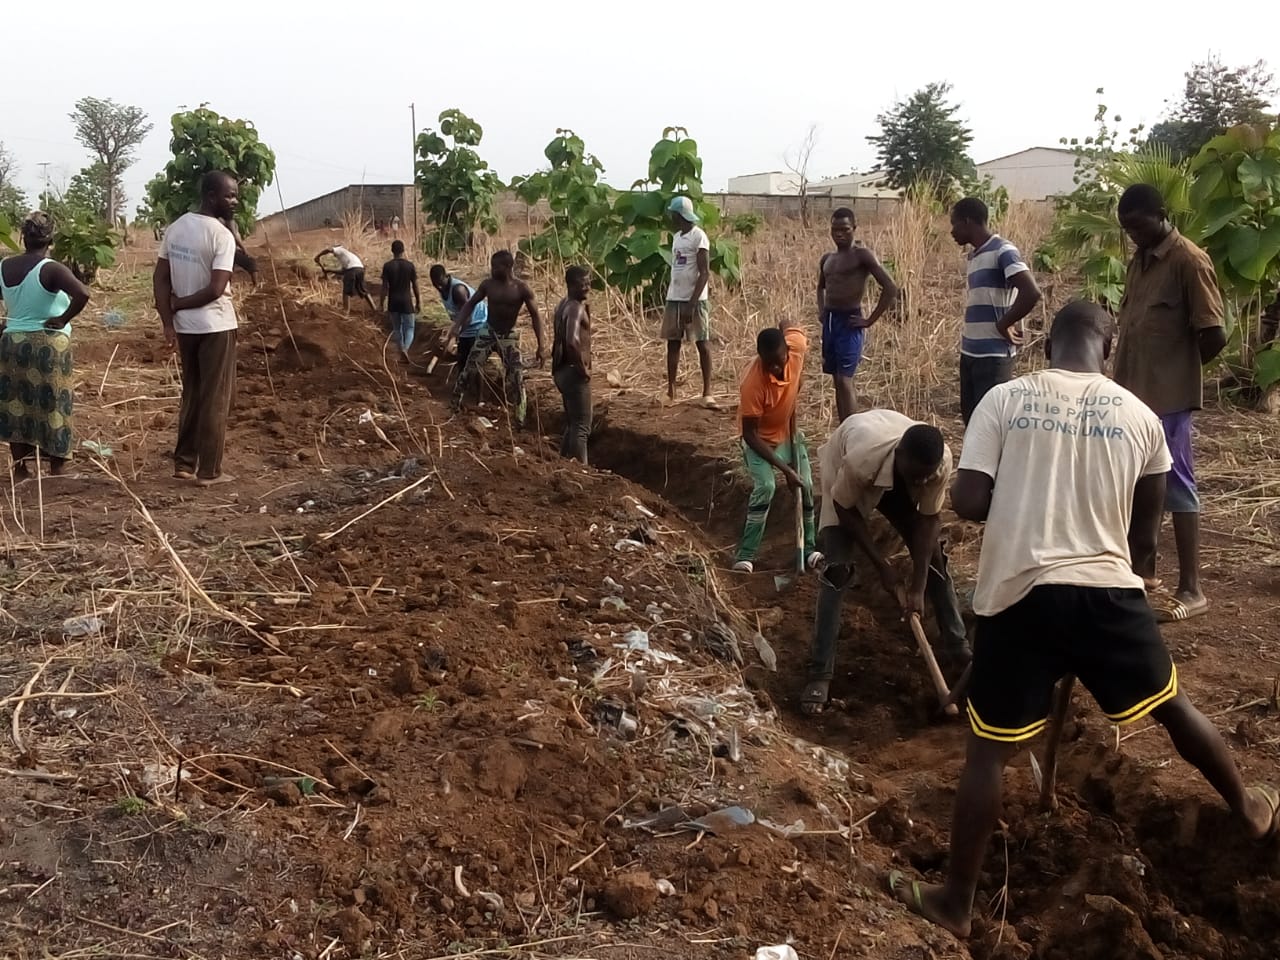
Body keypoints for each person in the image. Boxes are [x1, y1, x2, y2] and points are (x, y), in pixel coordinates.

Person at [888, 300, 1279, 938]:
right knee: (1173, 706)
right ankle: (1250, 806)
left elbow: (969, 501)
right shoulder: (1142, 417)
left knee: (987, 753)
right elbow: (1145, 542)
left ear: (1048, 348)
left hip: (1020, 594)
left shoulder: (1005, 400)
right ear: (1108, 347)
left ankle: (955, 903)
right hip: (1107, 594)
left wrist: (1021, 488)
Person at [801, 409, 968, 715]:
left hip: (894, 473)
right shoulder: (860, 460)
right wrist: (882, 567)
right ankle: (820, 672)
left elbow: (929, 520)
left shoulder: (937, 462)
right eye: (918, 476)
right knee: (838, 570)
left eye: (926, 477)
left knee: (935, 560)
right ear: (901, 456)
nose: (924, 481)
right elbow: (844, 508)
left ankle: (960, 651)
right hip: (846, 475)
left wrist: (917, 587)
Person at [1113, 184, 1226, 624]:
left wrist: (1178, 371)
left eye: (1138, 226)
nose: (1133, 236)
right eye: (1127, 229)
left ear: (1161, 215)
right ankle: (1143, 577)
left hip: (1169, 401)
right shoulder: (1139, 261)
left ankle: (1192, 589)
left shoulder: (1189, 261)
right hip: (1131, 398)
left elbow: (1213, 334)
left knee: (1176, 485)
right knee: (1140, 488)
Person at [153, 171, 241, 486]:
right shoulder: (222, 236)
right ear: (211, 196)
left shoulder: (175, 229)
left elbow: (160, 279)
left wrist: (169, 320)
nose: (235, 201)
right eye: (230, 195)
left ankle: (184, 463)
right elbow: (217, 289)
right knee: (215, 397)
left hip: (187, 329)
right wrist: (177, 306)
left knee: (192, 393)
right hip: (216, 325)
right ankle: (209, 472)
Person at [0, 211, 91, 480]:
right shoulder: (51, 268)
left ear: (23, 236)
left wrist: (7, 324)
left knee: (16, 404)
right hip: (48, 346)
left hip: (12, 344)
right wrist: (63, 319)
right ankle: (58, 467)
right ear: (50, 238)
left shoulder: (4, 266)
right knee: (55, 405)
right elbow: (83, 293)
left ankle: (20, 469)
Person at [731, 316, 821, 574]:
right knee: (766, 487)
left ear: (787, 350)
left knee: (806, 486)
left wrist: (783, 328)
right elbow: (750, 435)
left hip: (788, 434)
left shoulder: (797, 347)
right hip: (760, 442)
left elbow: (787, 322)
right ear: (760, 357)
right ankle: (745, 555)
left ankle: (810, 549)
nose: (774, 367)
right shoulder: (753, 384)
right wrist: (786, 470)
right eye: (768, 362)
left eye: (779, 360)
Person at [949, 197, 1042, 424]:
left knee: (990, 424)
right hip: (970, 351)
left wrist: (1003, 324)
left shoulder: (1003, 251)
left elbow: (1031, 292)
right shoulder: (974, 256)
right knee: (972, 420)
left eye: (955, 224)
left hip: (994, 356)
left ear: (968, 221)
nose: (952, 232)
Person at [444, 250, 545, 426]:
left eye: (495, 266)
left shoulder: (521, 289)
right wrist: (456, 327)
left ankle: (520, 419)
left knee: (516, 376)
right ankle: (454, 406)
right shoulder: (488, 285)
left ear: (507, 267)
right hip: (488, 331)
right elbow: (470, 304)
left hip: (508, 336)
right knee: (469, 369)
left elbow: (536, 316)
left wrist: (541, 346)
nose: (491, 270)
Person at [817, 207, 899, 421]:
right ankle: (843, 429)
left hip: (850, 320)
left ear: (854, 228)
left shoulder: (862, 255)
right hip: (831, 322)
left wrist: (869, 320)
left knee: (845, 380)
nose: (839, 234)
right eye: (835, 229)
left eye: (844, 229)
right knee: (836, 379)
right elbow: (821, 287)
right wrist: (821, 310)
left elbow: (890, 287)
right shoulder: (828, 259)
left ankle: (852, 431)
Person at [661, 196, 716, 407]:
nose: (670, 217)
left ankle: (707, 393)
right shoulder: (677, 237)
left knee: (702, 343)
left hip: (694, 300)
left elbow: (704, 273)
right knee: (672, 344)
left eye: (672, 214)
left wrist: (691, 304)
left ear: (678, 214)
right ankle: (671, 391)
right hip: (675, 297)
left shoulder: (698, 237)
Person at [552, 265, 593, 464]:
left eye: (588, 282)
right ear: (570, 285)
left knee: (573, 422)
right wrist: (582, 368)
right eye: (582, 284)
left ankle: (564, 464)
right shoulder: (576, 307)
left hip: (560, 371)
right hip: (572, 373)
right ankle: (581, 470)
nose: (587, 287)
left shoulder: (563, 304)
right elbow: (571, 341)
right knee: (582, 426)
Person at [430, 264, 488, 377]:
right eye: (435, 284)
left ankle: (478, 391)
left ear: (446, 276)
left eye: (440, 283)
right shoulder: (443, 289)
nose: (438, 287)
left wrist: (455, 336)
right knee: (462, 361)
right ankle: (463, 388)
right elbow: (458, 316)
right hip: (466, 324)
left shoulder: (458, 290)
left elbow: (467, 317)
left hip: (478, 324)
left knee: (472, 361)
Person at [378, 240, 420, 361]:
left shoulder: (387, 266)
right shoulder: (410, 265)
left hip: (393, 301)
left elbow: (384, 287)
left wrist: (381, 303)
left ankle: (401, 348)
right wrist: (418, 302)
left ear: (392, 251)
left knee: (397, 328)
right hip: (406, 301)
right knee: (410, 328)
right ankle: (405, 349)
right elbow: (415, 286)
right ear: (403, 250)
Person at [315, 243, 376, 314]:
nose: (333, 254)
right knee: (363, 290)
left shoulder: (340, 249)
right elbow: (343, 271)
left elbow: (329, 249)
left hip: (352, 270)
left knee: (346, 291)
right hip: (360, 269)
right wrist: (328, 270)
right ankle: (374, 308)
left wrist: (318, 256)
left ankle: (346, 311)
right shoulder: (348, 256)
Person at [219, 215, 259, 286]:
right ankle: (256, 285)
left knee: (228, 270)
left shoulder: (218, 220)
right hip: (230, 249)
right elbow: (234, 235)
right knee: (251, 262)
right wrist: (244, 249)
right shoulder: (228, 219)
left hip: (225, 249)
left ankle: (227, 288)